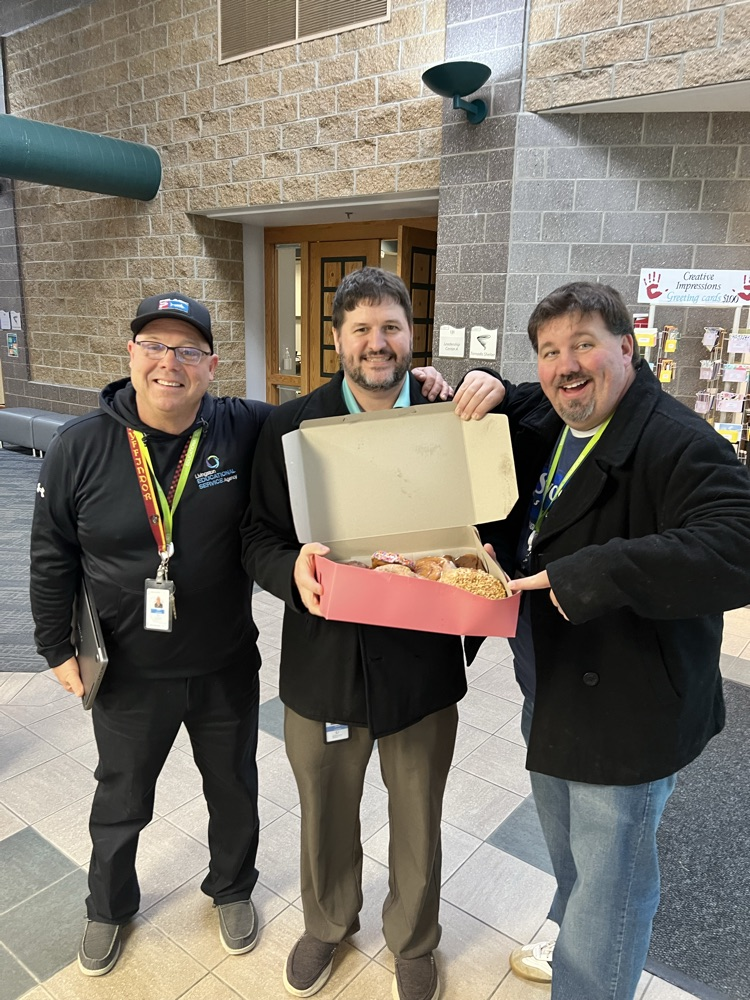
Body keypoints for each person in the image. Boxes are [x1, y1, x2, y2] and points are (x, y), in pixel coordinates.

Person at [29, 289, 451, 979]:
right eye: (155, 347)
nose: (171, 363)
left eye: (188, 350)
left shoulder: (255, 426)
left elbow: (488, 423)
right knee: (122, 796)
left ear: (212, 365)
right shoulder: (89, 446)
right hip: (138, 664)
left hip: (237, 661)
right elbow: (53, 553)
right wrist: (55, 647)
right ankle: (110, 905)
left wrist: (449, 379)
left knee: (240, 790)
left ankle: (256, 896)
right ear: (131, 354)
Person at [453, 281, 750, 1000]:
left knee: (613, 888)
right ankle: (574, 936)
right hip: (551, 689)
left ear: (628, 347)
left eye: (583, 344)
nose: (565, 366)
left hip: (627, 709)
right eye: (550, 351)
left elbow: (738, 543)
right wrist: (484, 379)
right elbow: (510, 392)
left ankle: (591, 977)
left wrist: (592, 570)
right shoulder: (553, 414)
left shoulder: (676, 441)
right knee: (578, 867)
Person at [241, 267, 465, 1000]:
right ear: (337, 340)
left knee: (417, 812)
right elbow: (257, 535)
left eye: (392, 328)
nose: (378, 343)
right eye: (362, 329)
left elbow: (481, 531)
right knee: (326, 809)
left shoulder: (445, 420)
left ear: (412, 337)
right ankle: (329, 922)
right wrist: (290, 574)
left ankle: (414, 939)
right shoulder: (292, 427)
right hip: (324, 661)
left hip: (421, 663)